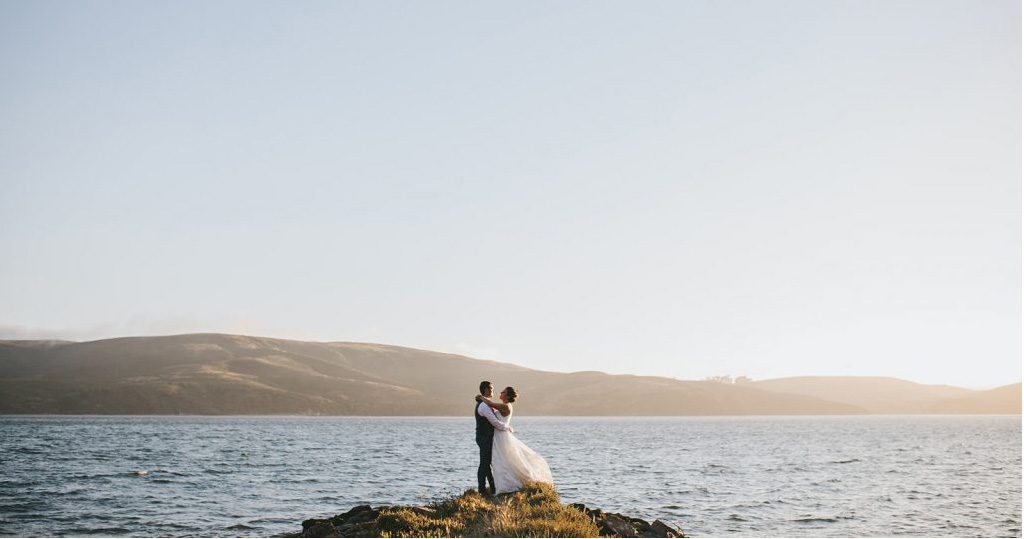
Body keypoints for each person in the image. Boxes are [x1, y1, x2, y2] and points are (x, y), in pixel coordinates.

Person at [475, 386, 554, 494]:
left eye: (503, 392)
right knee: (501, 461)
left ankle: (507, 484)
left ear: (507, 396)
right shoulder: (504, 405)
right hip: (498, 436)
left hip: (502, 436)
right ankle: (497, 485)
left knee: (503, 460)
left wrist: (480, 397)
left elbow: (490, 404)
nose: (501, 392)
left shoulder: (506, 406)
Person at [475, 380, 511, 495]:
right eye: (491, 388)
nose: (493, 390)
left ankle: (492, 487)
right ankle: (482, 489)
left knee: (488, 463)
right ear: (485, 389)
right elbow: (495, 422)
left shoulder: (486, 404)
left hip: (487, 437)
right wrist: (507, 427)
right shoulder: (483, 406)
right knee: (484, 464)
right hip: (484, 438)